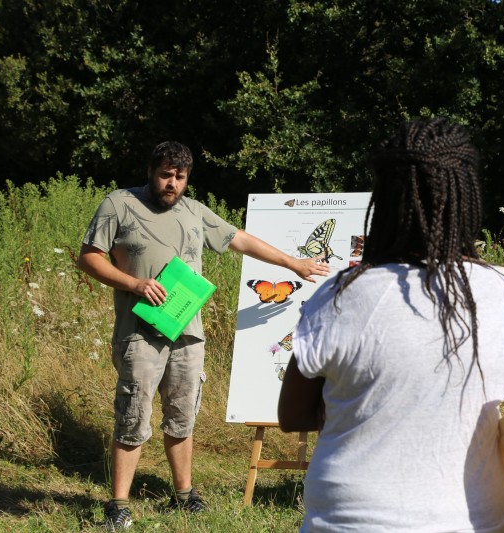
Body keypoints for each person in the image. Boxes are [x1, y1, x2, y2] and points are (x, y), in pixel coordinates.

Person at [277, 118, 504, 532]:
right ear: (466, 198)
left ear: (383, 202)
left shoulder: (340, 296)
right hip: (472, 518)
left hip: (348, 519)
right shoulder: (502, 294)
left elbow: (292, 415)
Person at [77, 141, 329, 531]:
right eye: (165, 175)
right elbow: (89, 256)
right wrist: (135, 284)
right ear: (151, 171)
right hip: (139, 335)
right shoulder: (119, 204)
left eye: (180, 177)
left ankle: (184, 495)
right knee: (133, 416)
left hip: (187, 335)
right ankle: (119, 504)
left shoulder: (195, 212)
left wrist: (292, 262)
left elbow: (239, 239)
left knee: (182, 416)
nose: (172, 184)